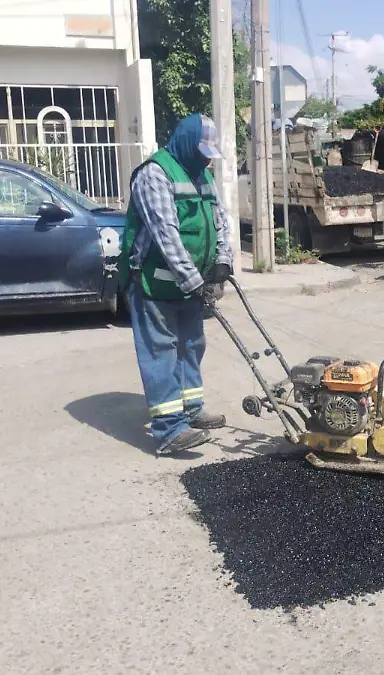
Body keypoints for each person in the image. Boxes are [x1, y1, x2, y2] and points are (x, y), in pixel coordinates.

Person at [118, 113, 234, 455]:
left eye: (211, 152)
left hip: (191, 283)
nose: (207, 158)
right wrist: (194, 280)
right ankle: (168, 429)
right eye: (202, 151)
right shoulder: (154, 174)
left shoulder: (202, 176)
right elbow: (165, 235)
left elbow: (220, 220)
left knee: (191, 344)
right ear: (185, 143)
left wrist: (223, 261)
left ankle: (191, 409)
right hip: (155, 282)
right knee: (162, 350)